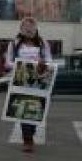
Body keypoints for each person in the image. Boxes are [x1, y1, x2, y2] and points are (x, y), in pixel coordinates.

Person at [5, 17, 52, 152]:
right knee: (23, 109)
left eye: (31, 26)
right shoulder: (14, 44)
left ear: (36, 28)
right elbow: (8, 62)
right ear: (21, 29)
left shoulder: (43, 43)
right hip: (21, 78)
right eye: (26, 26)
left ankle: (31, 132)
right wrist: (22, 64)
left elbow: (49, 59)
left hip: (38, 80)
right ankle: (27, 139)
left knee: (36, 107)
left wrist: (43, 64)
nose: (29, 29)